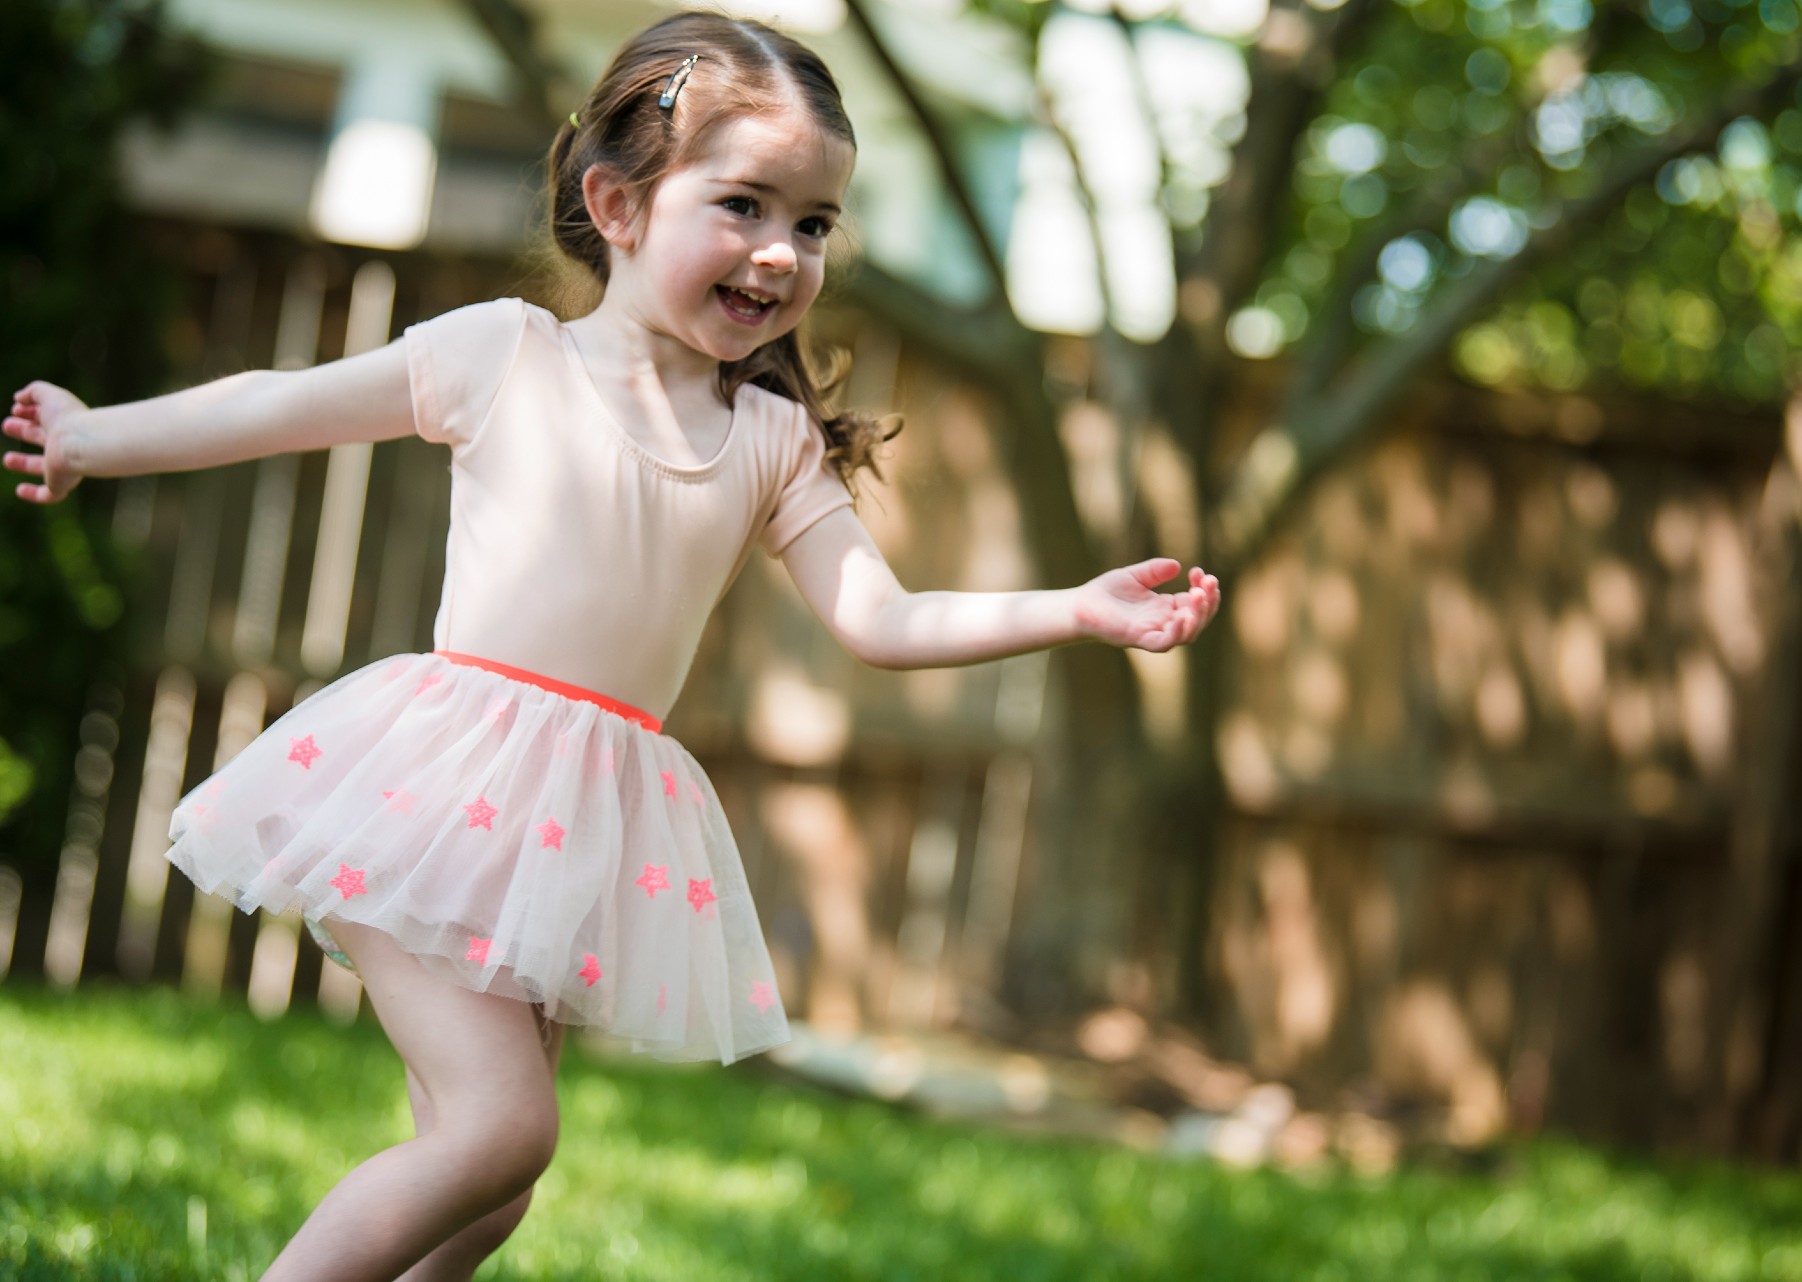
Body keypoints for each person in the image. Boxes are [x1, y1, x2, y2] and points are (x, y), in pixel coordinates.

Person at [4, 10, 1221, 1280]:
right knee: (502, 1128)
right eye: (745, 204)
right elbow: (278, 405)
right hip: (436, 792)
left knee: (487, 1193)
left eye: (812, 224)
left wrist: (1074, 608)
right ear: (618, 204)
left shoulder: (769, 439)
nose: (780, 252)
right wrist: (99, 436)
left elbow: (884, 617)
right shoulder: (503, 354)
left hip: (574, 824)